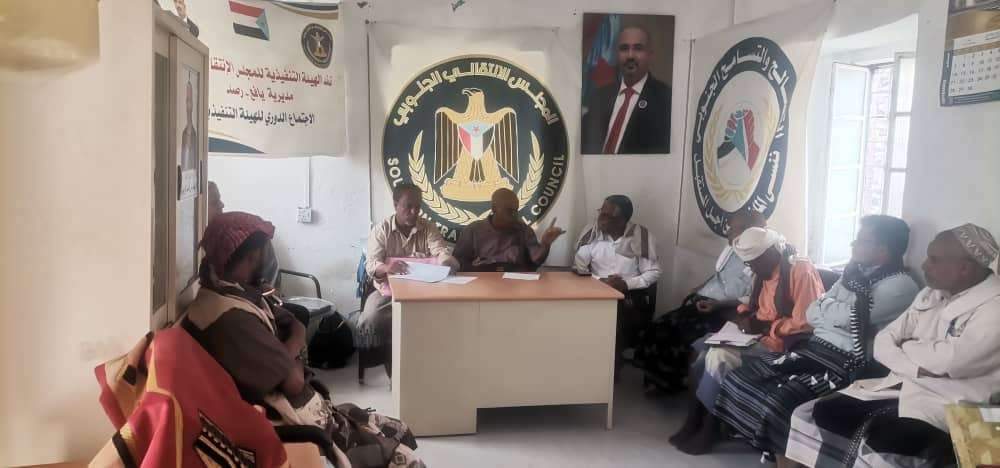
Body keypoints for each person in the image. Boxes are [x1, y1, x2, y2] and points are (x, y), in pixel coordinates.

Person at [183, 212, 425, 468]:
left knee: (398, 428)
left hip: (301, 404)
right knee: (405, 459)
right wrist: (297, 345)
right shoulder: (230, 318)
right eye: (263, 253)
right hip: (289, 419)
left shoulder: (231, 292)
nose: (266, 260)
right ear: (252, 257)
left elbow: (291, 323)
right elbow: (294, 381)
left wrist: (292, 342)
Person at [786, 224, 1000, 468]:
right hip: (905, 385)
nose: (924, 265)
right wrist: (918, 365)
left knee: (880, 447)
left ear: (964, 268)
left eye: (934, 259)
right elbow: (883, 342)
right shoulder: (931, 294)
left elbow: (953, 362)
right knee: (817, 412)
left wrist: (907, 347)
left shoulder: (993, 308)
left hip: (956, 405)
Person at [712, 216, 920, 463]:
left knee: (781, 400)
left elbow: (848, 316)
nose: (853, 244)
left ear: (883, 250)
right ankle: (768, 448)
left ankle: (782, 458)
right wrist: (833, 311)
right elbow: (813, 311)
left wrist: (829, 309)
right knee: (741, 377)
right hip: (815, 351)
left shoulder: (901, 286)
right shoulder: (853, 274)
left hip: (845, 363)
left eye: (862, 240)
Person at [672, 227, 826, 455]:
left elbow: (806, 322)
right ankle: (693, 419)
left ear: (770, 253)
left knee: (719, 356)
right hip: (756, 335)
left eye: (753, 263)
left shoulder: (800, 270)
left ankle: (710, 429)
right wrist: (745, 316)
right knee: (702, 350)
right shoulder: (764, 270)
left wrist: (765, 327)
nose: (751, 268)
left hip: (783, 345)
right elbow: (755, 305)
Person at [634, 209, 765, 393]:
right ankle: (659, 381)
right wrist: (700, 287)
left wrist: (717, 305)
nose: (727, 232)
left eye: (732, 229)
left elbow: (751, 300)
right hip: (707, 302)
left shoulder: (761, 260)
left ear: (748, 232)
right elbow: (719, 275)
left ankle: (673, 383)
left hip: (724, 312)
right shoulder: (732, 249)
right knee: (659, 325)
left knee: (678, 334)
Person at [361, 183, 458, 374]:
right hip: (388, 292)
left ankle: (429, 365)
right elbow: (371, 264)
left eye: (418, 207)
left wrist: (446, 261)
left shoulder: (428, 227)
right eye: (408, 206)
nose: (414, 212)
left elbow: (439, 250)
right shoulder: (381, 230)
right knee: (370, 319)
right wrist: (387, 268)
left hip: (424, 291)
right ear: (396, 205)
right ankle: (389, 362)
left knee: (447, 315)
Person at [574, 195, 661, 376]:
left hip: (629, 294)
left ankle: (609, 369)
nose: (600, 218)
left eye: (607, 215)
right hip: (595, 290)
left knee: (615, 320)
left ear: (622, 220)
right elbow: (579, 267)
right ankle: (585, 362)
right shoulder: (592, 232)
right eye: (601, 212)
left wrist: (625, 284)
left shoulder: (641, 236)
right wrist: (600, 282)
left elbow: (653, 272)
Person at [582, 24, 671, 154]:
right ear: (617, 54)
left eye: (638, 48)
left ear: (650, 55)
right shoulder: (599, 96)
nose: (630, 56)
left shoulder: (665, 99)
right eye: (624, 48)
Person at [453, 188, 565, 272]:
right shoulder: (473, 230)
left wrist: (545, 244)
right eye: (509, 211)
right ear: (494, 209)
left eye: (516, 211)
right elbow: (458, 263)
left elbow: (535, 260)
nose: (514, 215)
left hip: (517, 285)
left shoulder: (524, 230)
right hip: (481, 284)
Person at [181, 80, 198, 171]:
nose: (188, 104)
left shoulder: (194, 134)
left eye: (190, 101)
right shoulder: (184, 133)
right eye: (187, 100)